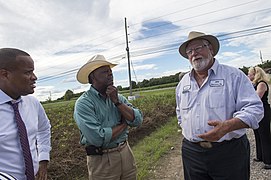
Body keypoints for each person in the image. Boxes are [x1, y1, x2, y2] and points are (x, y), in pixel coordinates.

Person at [176, 31, 264, 180]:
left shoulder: (234, 75)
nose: (194, 54)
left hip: (229, 152)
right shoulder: (183, 82)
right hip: (192, 153)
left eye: (198, 48)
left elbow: (255, 108)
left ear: (210, 49)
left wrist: (227, 126)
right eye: (190, 51)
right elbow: (180, 112)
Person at [73, 54, 143, 180]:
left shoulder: (118, 97)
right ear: (92, 77)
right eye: (105, 72)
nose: (110, 74)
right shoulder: (84, 103)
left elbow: (137, 120)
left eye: (110, 71)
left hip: (125, 152)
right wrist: (124, 124)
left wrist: (117, 102)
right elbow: (97, 138)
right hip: (102, 160)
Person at [0, 48, 51, 180]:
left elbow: (44, 129)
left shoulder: (32, 103)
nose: (34, 77)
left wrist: (43, 160)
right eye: (28, 72)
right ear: (4, 74)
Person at [248, 66, 271, 169]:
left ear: (256, 74)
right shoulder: (254, 84)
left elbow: (256, 98)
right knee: (257, 134)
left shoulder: (261, 84)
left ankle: (269, 161)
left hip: (263, 112)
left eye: (250, 74)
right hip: (257, 112)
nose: (249, 75)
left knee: (264, 135)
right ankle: (260, 156)